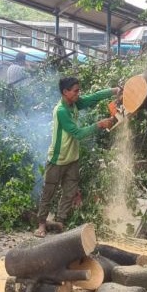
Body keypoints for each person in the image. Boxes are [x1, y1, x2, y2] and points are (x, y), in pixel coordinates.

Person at [34, 77, 118, 238]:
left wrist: (114, 91)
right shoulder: (61, 111)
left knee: (69, 191)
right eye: (76, 91)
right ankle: (41, 224)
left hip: (72, 157)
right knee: (48, 192)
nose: (79, 94)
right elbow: (77, 133)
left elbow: (93, 97)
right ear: (65, 92)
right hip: (57, 159)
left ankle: (60, 222)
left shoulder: (74, 103)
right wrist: (99, 125)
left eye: (79, 90)